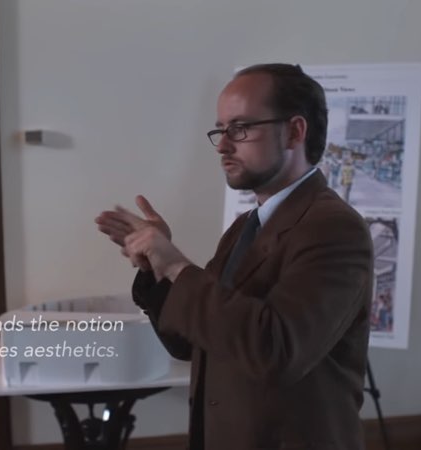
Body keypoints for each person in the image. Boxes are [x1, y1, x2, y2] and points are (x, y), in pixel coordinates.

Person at [95, 63, 372, 450]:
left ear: (295, 131)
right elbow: (192, 344)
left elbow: (276, 351)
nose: (223, 144)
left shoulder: (334, 229)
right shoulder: (245, 226)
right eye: (221, 129)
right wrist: (158, 271)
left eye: (240, 128)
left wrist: (177, 265)